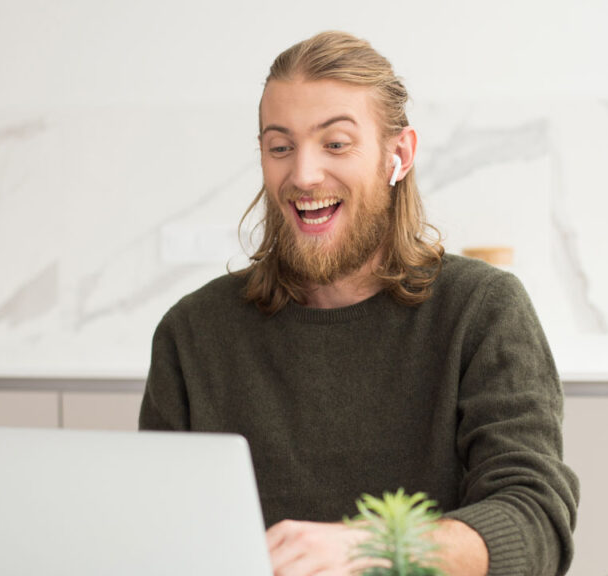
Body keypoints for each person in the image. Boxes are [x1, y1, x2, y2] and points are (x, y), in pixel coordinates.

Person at [139, 31, 579, 576]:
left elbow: (534, 521)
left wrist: (371, 548)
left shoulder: (481, 311)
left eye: (336, 143)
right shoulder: (193, 334)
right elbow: (159, 536)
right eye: (280, 147)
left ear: (399, 156)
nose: (303, 175)